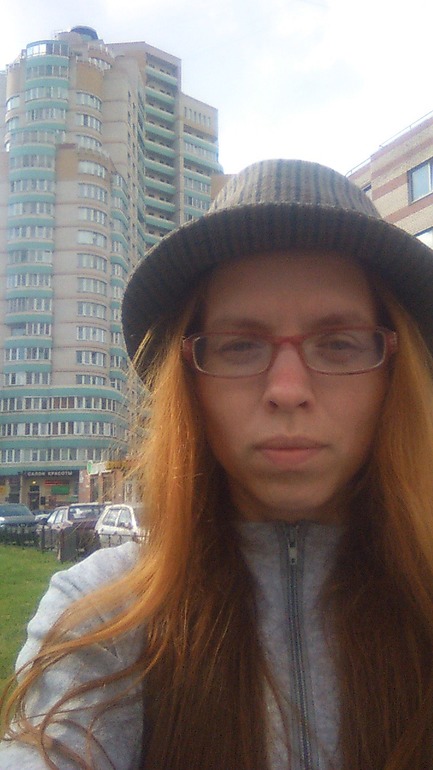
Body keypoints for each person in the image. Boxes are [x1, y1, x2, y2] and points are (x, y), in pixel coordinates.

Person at [1, 158, 433, 770]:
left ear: (396, 374)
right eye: (240, 346)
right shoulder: (102, 614)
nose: (287, 389)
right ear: (190, 386)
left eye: (339, 343)